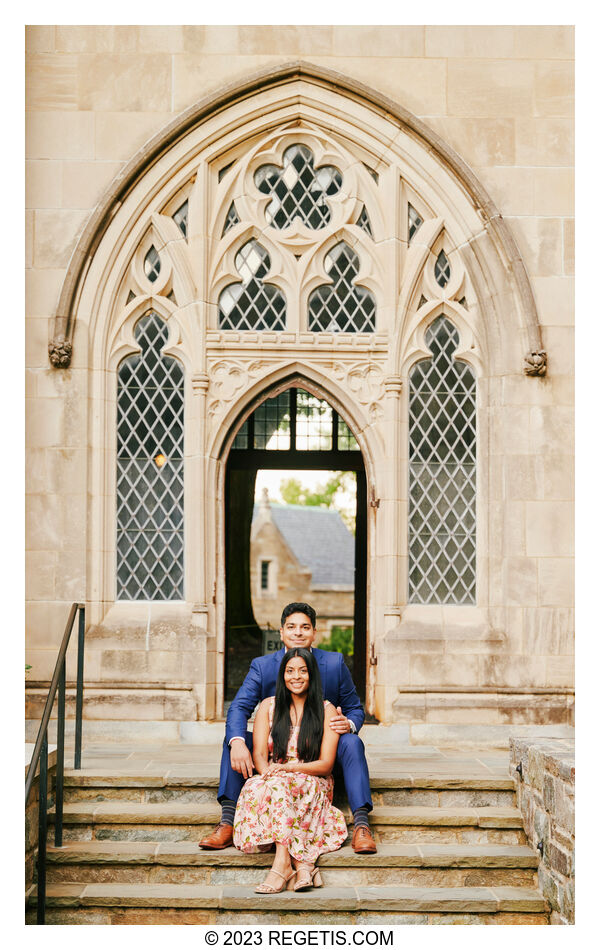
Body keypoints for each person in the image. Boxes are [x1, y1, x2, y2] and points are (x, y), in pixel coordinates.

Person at [199, 602, 377, 854]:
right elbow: (239, 707)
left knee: (352, 742)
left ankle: (361, 824)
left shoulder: (334, 664)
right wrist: (237, 741)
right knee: (237, 741)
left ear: (314, 633)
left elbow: (355, 708)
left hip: (320, 751)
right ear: (281, 632)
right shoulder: (263, 666)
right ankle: (227, 822)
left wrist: (347, 723)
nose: (298, 633)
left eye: (305, 627)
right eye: (291, 627)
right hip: (276, 750)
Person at [233, 647, 347, 892]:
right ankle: (302, 864)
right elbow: (260, 756)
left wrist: (289, 770)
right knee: (257, 786)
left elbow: (325, 764)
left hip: (312, 777)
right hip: (275, 775)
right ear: (282, 675)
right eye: (290, 671)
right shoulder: (268, 706)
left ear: (312, 675)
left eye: (303, 671)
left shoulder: (326, 709)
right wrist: (268, 774)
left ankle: (281, 865)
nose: (296, 676)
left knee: (283, 785)